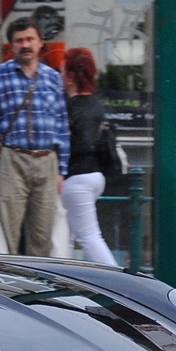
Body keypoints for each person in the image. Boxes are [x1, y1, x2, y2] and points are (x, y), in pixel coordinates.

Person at [0, 18, 69, 256]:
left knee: (42, 235)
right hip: (12, 160)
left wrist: (62, 169)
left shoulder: (52, 78)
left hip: (47, 162)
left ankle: (40, 289)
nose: (25, 45)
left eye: (30, 39)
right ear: (11, 46)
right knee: (8, 233)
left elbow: (61, 124)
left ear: (39, 43)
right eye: (19, 41)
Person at [60, 48, 118, 267]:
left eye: (63, 71)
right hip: (95, 176)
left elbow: (78, 143)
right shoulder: (96, 104)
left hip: (76, 178)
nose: (60, 76)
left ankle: (117, 283)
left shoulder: (69, 107)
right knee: (68, 233)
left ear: (71, 77)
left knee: (89, 236)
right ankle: (61, 280)